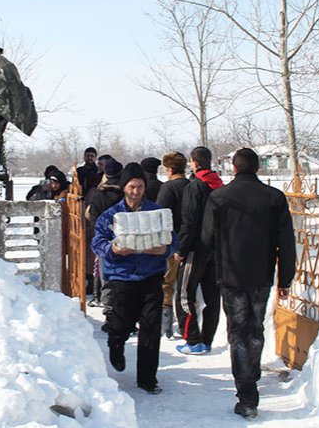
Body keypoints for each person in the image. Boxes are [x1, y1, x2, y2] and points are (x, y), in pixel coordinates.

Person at [201, 147, 296, 419]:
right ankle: (250, 372)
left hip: (230, 273)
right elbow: (286, 242)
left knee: (238, 332)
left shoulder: (219, 197)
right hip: (262, 274)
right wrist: (285, 278)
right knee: (254, 328)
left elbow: (206, 238)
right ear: (257, 167)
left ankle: (247, 394)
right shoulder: (274, 198)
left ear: (234, 167)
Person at [91, 162, 176, 394]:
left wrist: (165, 250)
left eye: (139, 187)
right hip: (122, 277)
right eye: (131, 187)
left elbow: (171, 239)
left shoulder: (156, 213)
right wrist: (113, 250)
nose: (136, 192)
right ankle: (116, 344)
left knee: (150, 328)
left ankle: (148, 378)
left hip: (150, 276)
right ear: (123, 187)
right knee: (121, 324)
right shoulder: (112, 215)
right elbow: (97, 242)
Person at [174, 146, 224, 355]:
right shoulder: (220, 186)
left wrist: (181, 249)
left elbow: (189, 221)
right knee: (212, 297)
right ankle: (207, 339)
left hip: (195, 248)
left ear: (194, 162)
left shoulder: (195, 187)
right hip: (216, 249)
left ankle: (192, 340)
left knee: (184, 295)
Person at [155, 151, 189, 339]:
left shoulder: (168, 188)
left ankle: (165, 326)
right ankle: (184, 325)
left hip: (171, 241)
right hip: (190, 241)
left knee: (167, 283)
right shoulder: (192, 186)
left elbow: (161, 215)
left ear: (169, 168)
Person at [85, 158, 123, 308]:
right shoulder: (124, 195)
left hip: (103, 241)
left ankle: (105, 306)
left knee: (103, 274)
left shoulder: (97, 195)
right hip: (123, 240)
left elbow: (93, 219)